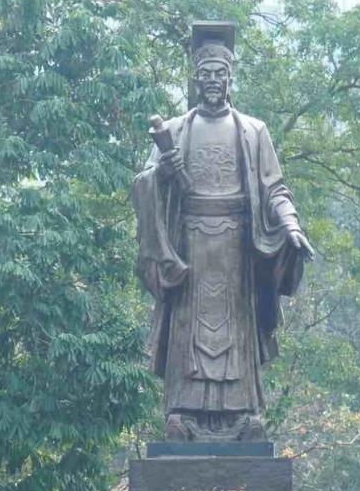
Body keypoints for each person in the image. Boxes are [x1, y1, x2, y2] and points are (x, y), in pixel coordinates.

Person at [132, 24, 312, 442]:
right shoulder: (175, 130)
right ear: (196, 79)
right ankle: (182, 413)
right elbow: (142, 182)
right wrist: (163, 172)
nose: (213, 81)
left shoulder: (253, 131)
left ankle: (243, 414)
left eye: (220, 74)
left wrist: (291, 225)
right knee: (189, 325)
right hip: (189, 245)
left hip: (237, 245)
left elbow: (275, 189)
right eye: (206, 74)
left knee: (235, 327)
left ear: (230, 78)